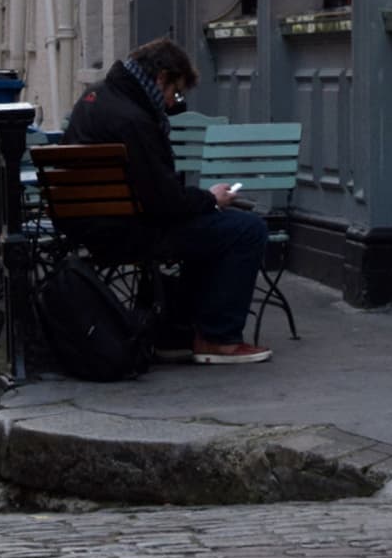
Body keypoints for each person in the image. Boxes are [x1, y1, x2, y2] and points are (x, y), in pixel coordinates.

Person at [63, 36, 272, 364]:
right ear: (160, 77)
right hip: (129, 231)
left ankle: (175, 330)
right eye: (174, 92)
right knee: (246, 229)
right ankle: (218, 338)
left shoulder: (94, 98)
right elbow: (164, 201)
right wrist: (211, 198)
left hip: (91, 226)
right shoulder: (135, 120)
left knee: (213, 229)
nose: (174, 104)